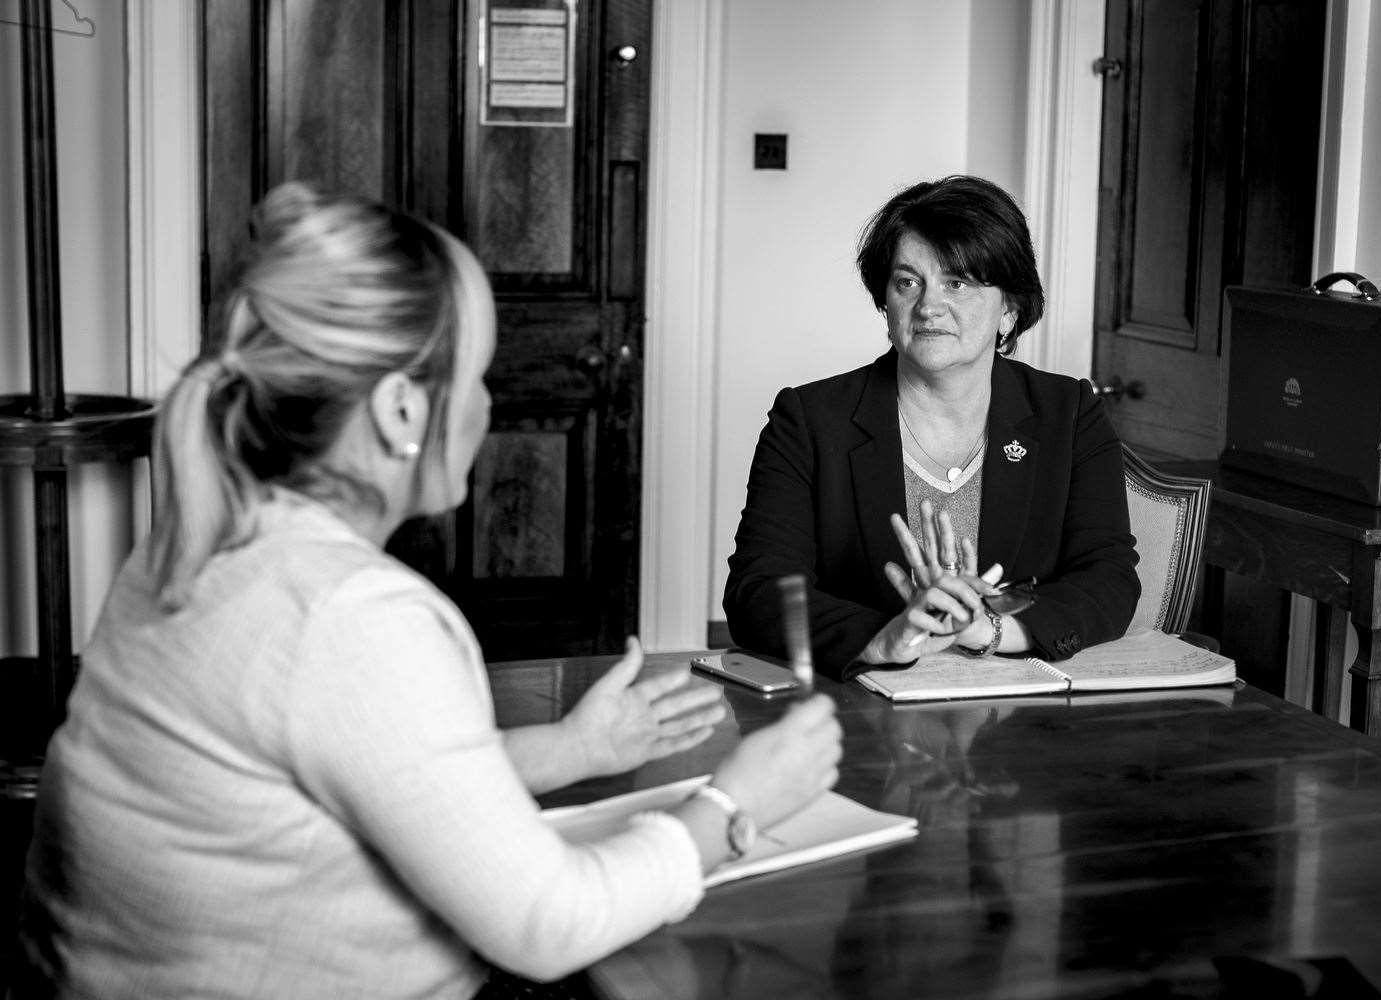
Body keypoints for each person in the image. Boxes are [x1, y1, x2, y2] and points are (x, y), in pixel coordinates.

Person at [19, 183, 842, 1000]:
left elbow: (374, 771)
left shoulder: (196, 543)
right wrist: (737, 803)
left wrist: (575, 751)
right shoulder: (355, 617)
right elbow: (549, 923)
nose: (486, 405)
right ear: (402, 409)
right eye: (477, 376)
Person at [724, 175, 1139, 678]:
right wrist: (883, 639)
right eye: (907, 282)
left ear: (1009, 308)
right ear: (886, 302)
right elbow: (758, 592)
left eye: (957, 282)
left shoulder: (1068, 412)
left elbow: (1109, 579)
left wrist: (987, 629)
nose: (927, 306)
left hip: (1020, 717)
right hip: (859, 715)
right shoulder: (809, 420)